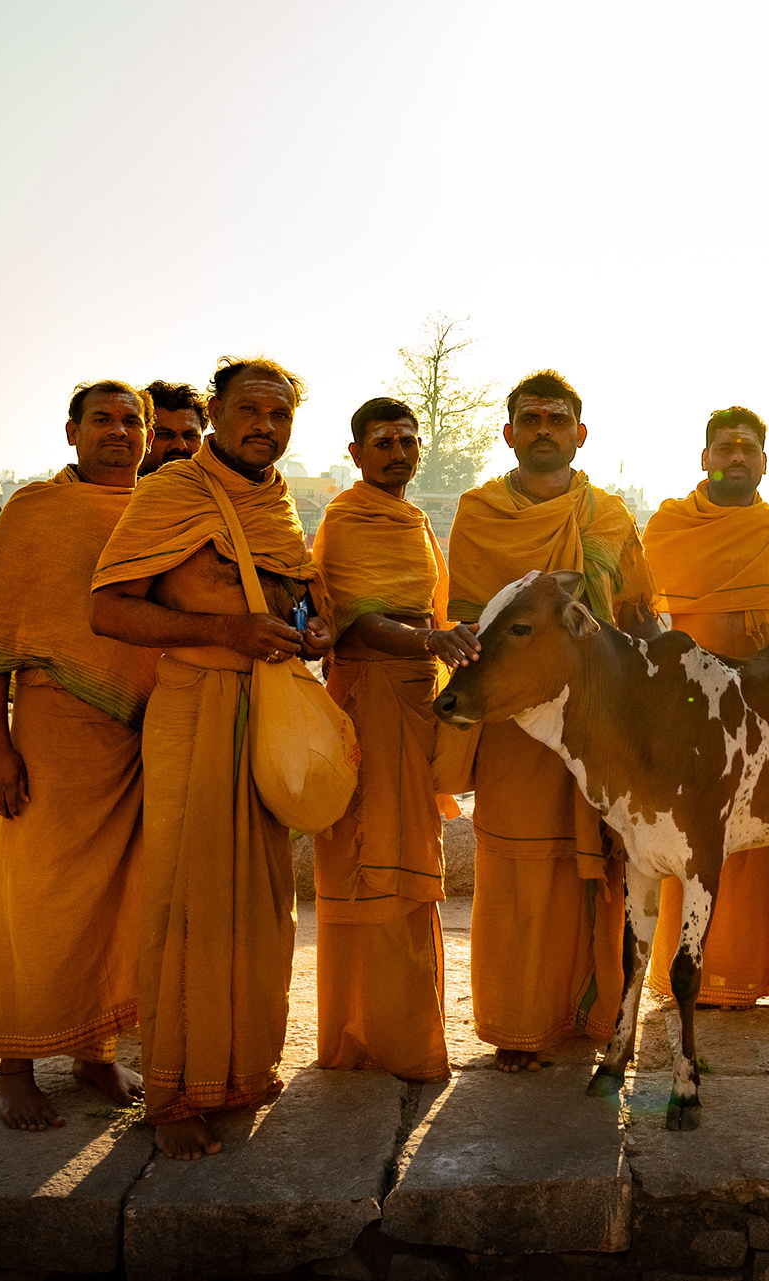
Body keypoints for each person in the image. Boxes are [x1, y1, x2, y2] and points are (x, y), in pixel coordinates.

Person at [91, 356, 333, 1159]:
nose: (266, 426)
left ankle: (241, 1069)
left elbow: (292, 589)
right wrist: (224, 632)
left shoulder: (278, 501)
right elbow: (109, 610)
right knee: (187, 902)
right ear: (218, 413)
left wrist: (315, 624)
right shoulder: (172, 493)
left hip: (265, 711)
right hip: (195, 706)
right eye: (251, 411)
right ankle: (172, 1094)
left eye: (281, 415)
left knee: (263, 906)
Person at [0, 379, 160, 1130]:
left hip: (141, 732)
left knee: (119, 897)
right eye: (101, 419)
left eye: (132, 419)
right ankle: (13, 1066)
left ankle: (94, 1050)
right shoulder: (35, 511)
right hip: (51, 726)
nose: (119, 431)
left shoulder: (159, 509)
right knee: (37, 896)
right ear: (71, 433)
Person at [442, 369, 661, 1072]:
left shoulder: (610, 516)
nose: (543, 429)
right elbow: (470, 616)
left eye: (556, 419)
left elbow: (636, 612)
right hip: (516, 722)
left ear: (579, 433)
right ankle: (519, 1022)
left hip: (598, 719)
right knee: (520, 861)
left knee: (603, 865)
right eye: (530, 419)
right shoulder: (480, 512)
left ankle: (598, 1014)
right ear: (508, 434)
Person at [310, 397, 478, 1082]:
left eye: (409, 440)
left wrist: (442, 649)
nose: (398, 451)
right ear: (355, 453)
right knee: (372, 859)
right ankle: (371, 1034)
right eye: (382, 441)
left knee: (411, 859)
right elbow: (351, 620)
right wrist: (429, 639)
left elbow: (428, 609)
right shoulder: (345, 520)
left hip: (414, 696)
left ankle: (406, 1033)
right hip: (370, 700)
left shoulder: (413, 520)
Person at [640, 406, 769, 1008]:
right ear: (705, 458)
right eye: (725, 448)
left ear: (765, 463)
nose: (737, 457)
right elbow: (642, 618)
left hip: (764, 712)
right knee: (691, 834)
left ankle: (747, 975)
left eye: (748, 449)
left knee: (761, 838)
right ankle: (686, 971)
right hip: (690, 706)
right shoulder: (668, 527)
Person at [141, 382, 207, 476]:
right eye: (165, 434)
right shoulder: (119, 488)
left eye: (190, 436)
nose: (181, 446)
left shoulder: (220, 489)